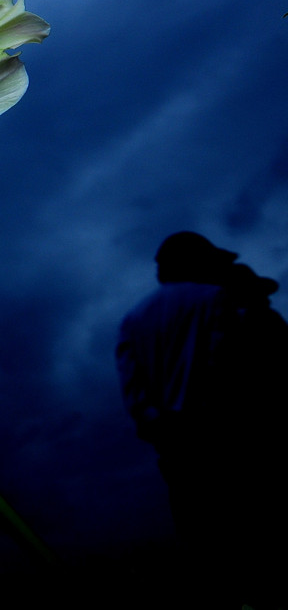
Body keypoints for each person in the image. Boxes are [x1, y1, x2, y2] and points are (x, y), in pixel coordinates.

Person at [116, 231, 287, 609]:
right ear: (197, 263)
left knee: (206, 550)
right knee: (258, 549)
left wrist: (165, 430)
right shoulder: (220, 300)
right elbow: (230, 364)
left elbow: (135, 395)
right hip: (231, 444)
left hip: (178, 456)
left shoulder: (132, 320)